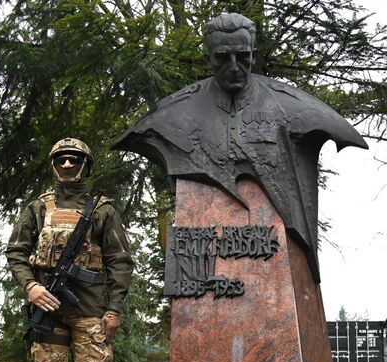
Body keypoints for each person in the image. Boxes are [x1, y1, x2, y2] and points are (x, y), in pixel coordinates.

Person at [114, 12, 367, 283]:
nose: (234, 67)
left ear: (253, 55)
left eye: (243, 56)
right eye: (223, 57)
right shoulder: (169, 116)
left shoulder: (295, 109)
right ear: (209, 59)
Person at [6, 138, 134, 362]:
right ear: (53, 165)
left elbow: (120, 263)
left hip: (90, 310)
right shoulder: (38, 208)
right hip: (47, 312)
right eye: (61, 159)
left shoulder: (102, 210)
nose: (66, 165)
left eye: (73, 159)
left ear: (85, 164)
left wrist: (114, 309)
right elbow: (16, 252)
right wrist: (31, 287)